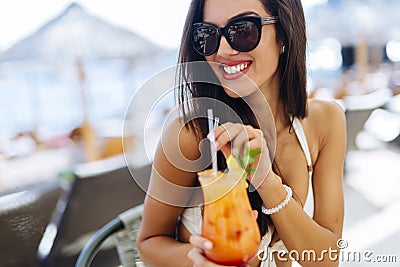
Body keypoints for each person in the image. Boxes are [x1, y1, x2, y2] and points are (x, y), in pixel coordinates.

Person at [137, 0, 346, 266]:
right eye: (207, 35)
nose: (223, 50)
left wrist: (266, 181)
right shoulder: (192, 131)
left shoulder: (325, 122)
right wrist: (196, 261)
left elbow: (327, 260)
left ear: (284, 32)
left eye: (243, 30)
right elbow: (148, 243)